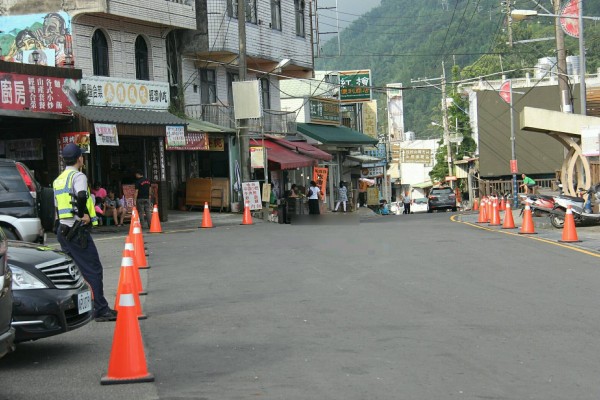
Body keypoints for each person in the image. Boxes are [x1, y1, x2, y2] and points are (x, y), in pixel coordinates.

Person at [52, 143, 117, 322]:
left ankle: (73, 307)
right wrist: (83, 214)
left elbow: (56, 208)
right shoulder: (78, 176)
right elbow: (81, 196)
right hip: (76, 230)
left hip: (62, 230)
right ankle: (101, 309)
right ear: (80, 158)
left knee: (73, 270)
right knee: (93, 269)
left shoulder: (58, 179)